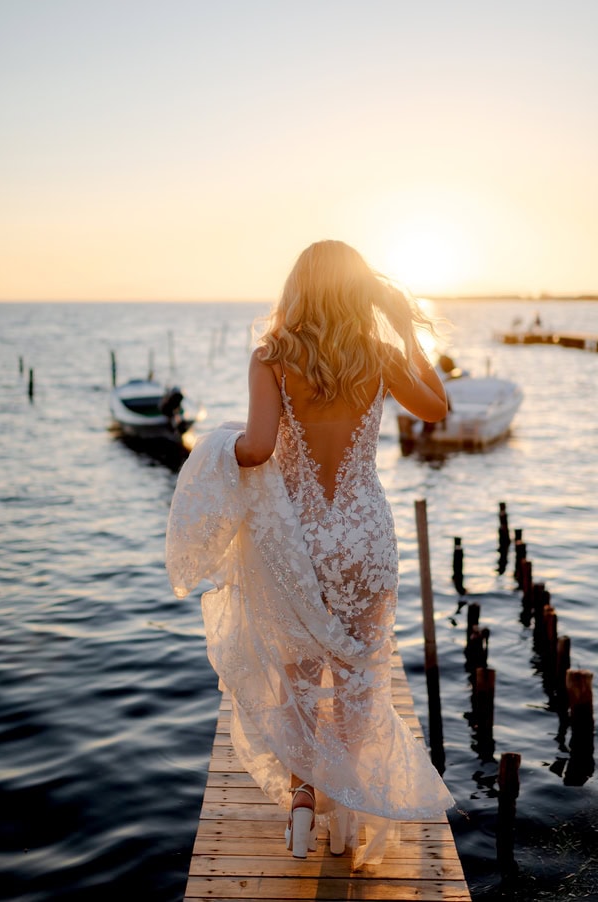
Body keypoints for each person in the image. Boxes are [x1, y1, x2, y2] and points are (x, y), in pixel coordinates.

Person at [166, 240, 454, 868]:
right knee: (357, 677)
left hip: (300, 540)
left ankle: (302, 804)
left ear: (297, 289)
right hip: (364, 536)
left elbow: (260, 448)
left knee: (297, 675)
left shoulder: (271, 358)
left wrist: (219, 447)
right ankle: (346, 806)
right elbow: (437, 407)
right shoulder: (378, 356)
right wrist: (406, 333)